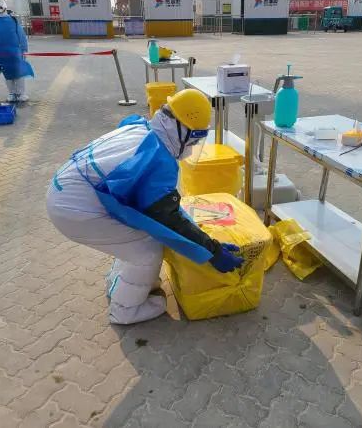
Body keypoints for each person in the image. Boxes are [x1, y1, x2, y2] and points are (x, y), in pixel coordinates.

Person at [47, 89, 244, 325]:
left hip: (67, 193)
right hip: (75, 210)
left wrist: (209, 245)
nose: (192, 147)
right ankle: (125, 310)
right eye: (193, 139)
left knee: (135, 237)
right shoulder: (156, 160)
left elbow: (164, 210)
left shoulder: (143, 130)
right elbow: (169, 219)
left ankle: (118, 283)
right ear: (181, 129)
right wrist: (213, 251)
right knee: (147, 250)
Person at [0, 0, 33, 102]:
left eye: (0, 3)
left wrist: (24, 49)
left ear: (5, 4)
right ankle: (12, 93)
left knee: (19, 72)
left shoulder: (13, 19)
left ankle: (21, 93)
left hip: (15, 52)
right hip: (1, 53)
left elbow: (21, 35)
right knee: (7, 74)